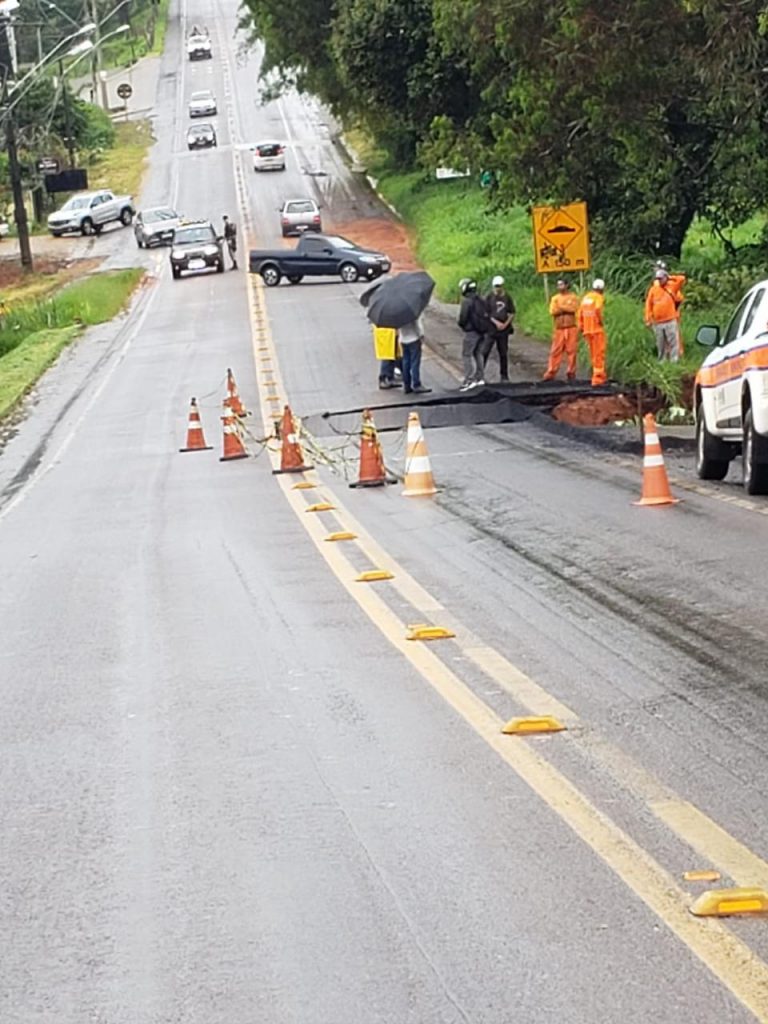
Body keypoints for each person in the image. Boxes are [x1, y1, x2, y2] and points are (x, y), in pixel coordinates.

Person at [645, 267, 686, 362]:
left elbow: (681, 279)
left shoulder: (672, 286)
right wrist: (648, 318)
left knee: (673, 341)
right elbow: (648, 304)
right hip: (657, 322)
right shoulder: (653, 289)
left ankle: (674, 360)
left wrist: (670, 277)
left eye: (661, 278)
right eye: (657, 279)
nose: (659, 281)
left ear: (665, 278)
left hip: (670, 319)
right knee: (660, 343)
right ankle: (662, 360)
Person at [543, 278, 580, 381]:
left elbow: (574, 309)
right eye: (558, 285)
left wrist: (561, 308)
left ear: (567, 285)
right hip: (559, 329)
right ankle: (551, 373)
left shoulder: (573, 297)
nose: (559, 287)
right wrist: (565, 308)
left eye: (561, 284)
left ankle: (571, 372)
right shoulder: (555, 298)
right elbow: (553, 311)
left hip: (571, 328)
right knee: (555, 351)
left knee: (571, 351)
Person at [457, 278, 490, 391]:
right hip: (482, 331)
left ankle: (469, 379)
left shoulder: (467, 301)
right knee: (478, 353)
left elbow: (463, 317)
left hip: (471, 332)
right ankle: (480, 378)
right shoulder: (481, 299)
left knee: (466, 355)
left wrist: (462, 325)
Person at [484, 275, 516, 382]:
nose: (497, 288)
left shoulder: (507, 297)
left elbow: (512, 312)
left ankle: (504, 376)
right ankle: (479, 374)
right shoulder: (489, 297)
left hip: (503, 331)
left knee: (503, 353)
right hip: (491, 329)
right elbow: (486, 313)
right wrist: (496, 322)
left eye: (499, 286)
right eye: (496, 286)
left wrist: (506, 324)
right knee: (485, 351)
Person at [578, 278, 608, 387]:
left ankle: (599, 375)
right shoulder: (598, 298)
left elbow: (580, 314)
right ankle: (598, 379)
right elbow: (598, 309)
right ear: (601, 289)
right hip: (596, 330)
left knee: (593, 354)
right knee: (599, 354)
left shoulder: (586, 298)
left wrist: (581, 327)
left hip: (587, 330)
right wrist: (602, 322)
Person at [399, 317, 431, 395]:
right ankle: (416, 384)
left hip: (403, 339)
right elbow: (417, 325)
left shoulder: (398, 315)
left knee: (406, 362)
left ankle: (407, 385)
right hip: (413, 339)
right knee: (415, 363)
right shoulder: (412, 313)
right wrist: (421, 335)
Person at [373, 325, 402, 390]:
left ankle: (390, 378)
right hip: (386, 335)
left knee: (392, 357)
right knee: (386, 358)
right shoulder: (382, 318)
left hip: (392, 334)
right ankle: (383, 379)